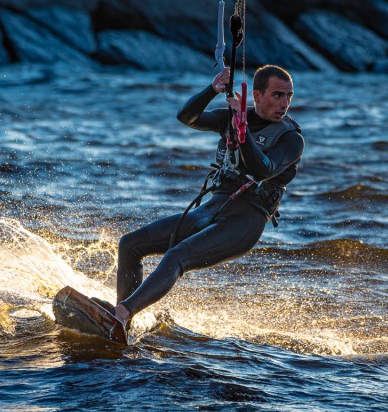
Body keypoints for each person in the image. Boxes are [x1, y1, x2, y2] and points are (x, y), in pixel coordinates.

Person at [106, 64, 304, 328]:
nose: (285, 103)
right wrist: (213, 89)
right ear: (256, 96)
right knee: (130, 244)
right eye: (278, 95)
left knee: (176, 257)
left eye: (289, 96)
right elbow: (186, 117)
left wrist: (244, 134)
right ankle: (120, 322)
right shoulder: (230, 118)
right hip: (212, 210)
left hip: (244, 222)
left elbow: (263, 169)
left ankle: (122, 314)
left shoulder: (291, 139)